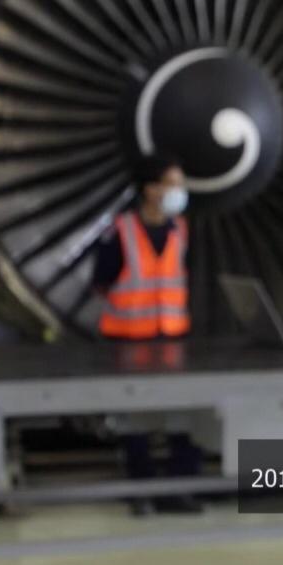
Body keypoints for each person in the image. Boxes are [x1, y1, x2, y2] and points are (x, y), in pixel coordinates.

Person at [94, 155, 203, 517]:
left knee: (182, 417)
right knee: (134, 420)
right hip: (129, 338)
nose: (179, 192)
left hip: (171, 336)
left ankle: (179, 488)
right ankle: (140, 489)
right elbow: (101, 279)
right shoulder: (120, 231)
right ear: (150, 190)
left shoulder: (180, 230)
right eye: (172, 184)